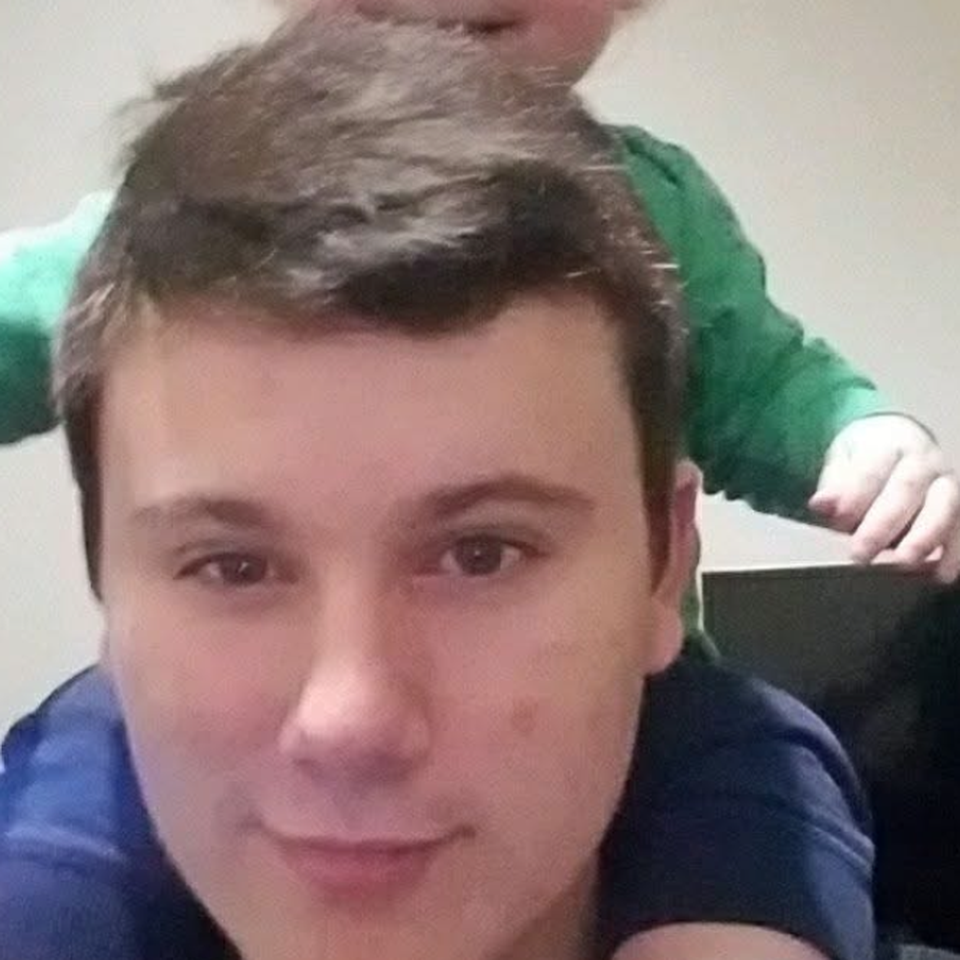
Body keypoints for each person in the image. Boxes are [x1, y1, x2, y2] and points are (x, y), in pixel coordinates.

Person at [0, 14, 874, 960]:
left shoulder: (664, 208)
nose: (349, 722)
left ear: (666, 564)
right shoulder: (122, 244)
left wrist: (863, 432)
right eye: (232, 565)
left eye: (481, 554)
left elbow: (777, 380)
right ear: (104, 576)